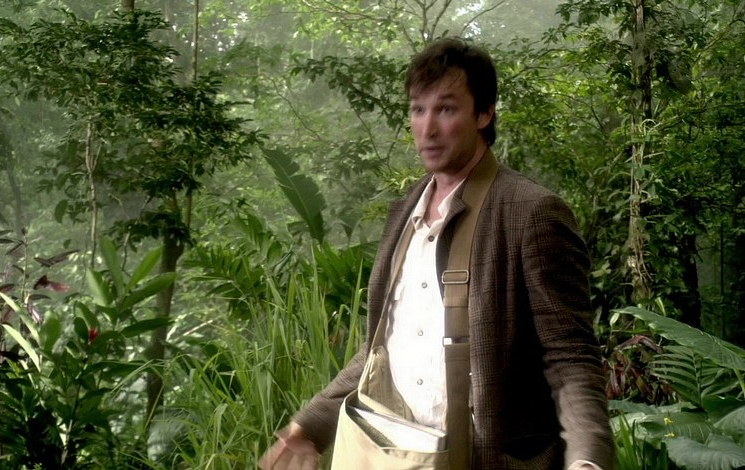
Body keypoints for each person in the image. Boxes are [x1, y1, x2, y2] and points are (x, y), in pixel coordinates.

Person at [259, 38, 614, 470]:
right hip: (393, 452)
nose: (427, 128)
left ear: (484, 114)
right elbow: (383, 346)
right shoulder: (405, 211)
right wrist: (310, 427)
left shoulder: (531, 212)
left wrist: (588, 460)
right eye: (417, 109)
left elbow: (570, 357)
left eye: (445, 109)